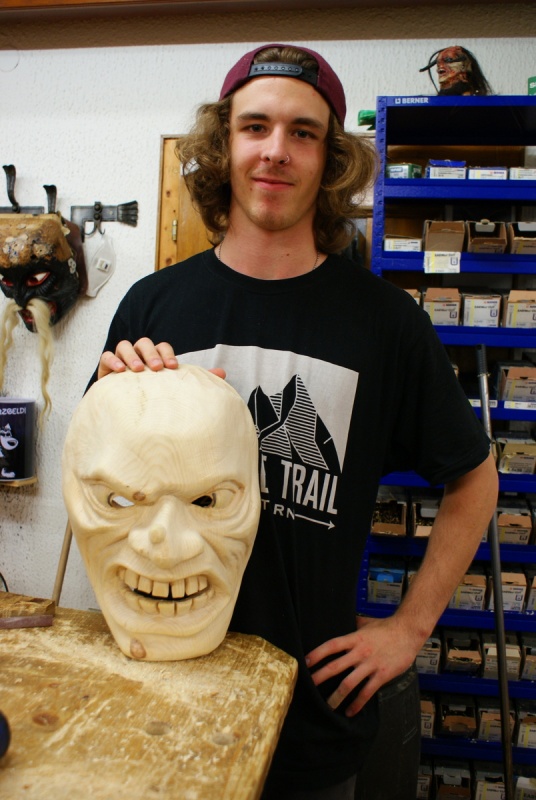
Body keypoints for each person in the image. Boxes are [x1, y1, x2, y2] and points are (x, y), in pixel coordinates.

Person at [93, 44, 498, 799]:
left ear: (330, 159)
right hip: (158, 697)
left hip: (309, 725)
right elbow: (102, 487)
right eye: (255, 127)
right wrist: (114, 405)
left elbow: (475, 480)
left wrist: (409, 629)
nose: (275, 150)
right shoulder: (153, 305)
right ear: (224, 145)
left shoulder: (386, 323)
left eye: (302, 133)